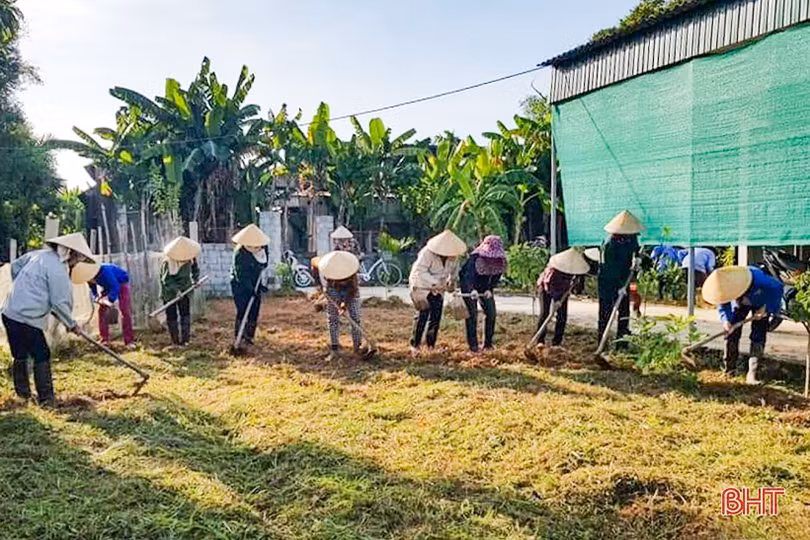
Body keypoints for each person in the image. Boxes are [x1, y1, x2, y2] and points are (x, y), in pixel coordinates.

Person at [1, 233, 95, 405]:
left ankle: (23, 395)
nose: (78, 262)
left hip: (9, 311)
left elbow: (15, 267)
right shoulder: (58, 270)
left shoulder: (38, 255)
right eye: (79, 258)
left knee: (19, 354)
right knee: (41, 354)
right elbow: (59, 302)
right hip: (26, 317)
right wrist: (72, 324)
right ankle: (46, 399)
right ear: (71, 253)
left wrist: (25, 289)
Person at [702, 266, 783, 384]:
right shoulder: (723, 284)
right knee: (731, 332)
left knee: (758, 334)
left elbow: (778, 288)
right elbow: (723, 304)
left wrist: (767, 308)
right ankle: (729, 370)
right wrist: (726, 321)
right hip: (741, 303)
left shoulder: (759, 279)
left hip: (761, 301)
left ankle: (752, 373)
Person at [408, 230, 465, 354]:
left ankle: (430, 345)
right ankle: (415, 345)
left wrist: (451, 283)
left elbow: (454, 272)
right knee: (422, 314)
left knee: (436, 316)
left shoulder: (454, 256)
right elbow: (420, 271)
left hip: (439, 288)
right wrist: (434, 283)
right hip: (421, 285)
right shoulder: (427, 253)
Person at [598, 210, 643, 349]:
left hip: (625, 278)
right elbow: (610, 268)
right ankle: (602, 343)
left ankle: (622, 343)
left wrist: (639, 259)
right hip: (608, 280)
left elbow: (636, 251)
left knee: (624, 312)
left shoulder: (632, 239)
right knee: (606, 312)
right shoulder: (610, 244)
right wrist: (618, 287)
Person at [316, 250, 366, 360]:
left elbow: (353, 291)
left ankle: (357, 347)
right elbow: (314, 263)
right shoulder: (327, 268)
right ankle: (334, 348)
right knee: (333, 318)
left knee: (355, 318)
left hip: (350, 292)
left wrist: (344, 305)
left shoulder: (352, 274)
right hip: (333, 290)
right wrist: (318, 284)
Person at [459, 235, 505, 352]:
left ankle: (488, 344)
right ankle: (473, 346)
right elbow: (467, 277)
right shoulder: (474, 259)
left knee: (491, 313)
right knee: (472, 315)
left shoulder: (500, 261)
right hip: (470, 286)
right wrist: (471, 290)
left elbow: (495, 277)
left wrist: (490, 289)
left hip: (485, 288)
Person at [535, 248, 590, 347]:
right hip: (546, 289)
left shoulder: (574, 270)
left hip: (563, 291)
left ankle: (557, 342)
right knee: (545, 313)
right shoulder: (554, 270)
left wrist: (574, 285)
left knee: (562, 316)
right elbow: (548, 284)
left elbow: (574, 286)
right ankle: (540, 340)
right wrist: (556, 300)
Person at [78, 262, 136, 348]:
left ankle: (129, 341)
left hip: (121, 283)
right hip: (108, 287)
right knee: (102, 311)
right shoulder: (88, 276)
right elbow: (93, 292)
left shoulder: (105, 271)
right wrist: (98, 299)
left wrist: (109, 299)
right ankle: (104, 339)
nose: (90, 281)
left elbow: (115, 286)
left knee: (125, 311)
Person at [230, 224, 269, 345]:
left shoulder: (263, 248)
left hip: (255, 282)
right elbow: (240, 274)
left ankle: (249, 337)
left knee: (254, 310)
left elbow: (264, 264)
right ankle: (240, 336)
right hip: (240, 285)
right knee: (243, 309)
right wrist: (249, 288)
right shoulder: (240, 253)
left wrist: (259, 286)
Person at [160, 236, 201, 347]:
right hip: (169, 292)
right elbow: (166, 280)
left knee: (185, 314)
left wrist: (196, 280)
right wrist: (176, 291)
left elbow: (195, 269)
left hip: (185, 289)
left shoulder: (190, 258)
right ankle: (175, 341)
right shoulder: (167, 262)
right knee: (172, 316)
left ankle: (185, 340)